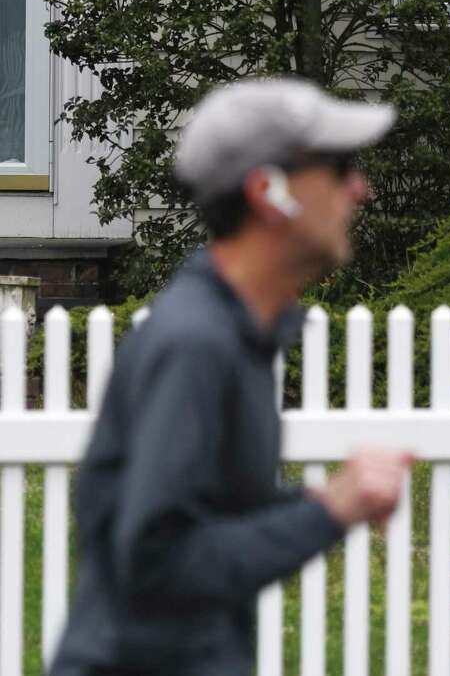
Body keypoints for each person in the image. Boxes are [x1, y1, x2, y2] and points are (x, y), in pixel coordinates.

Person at [50, 77, 413, 676]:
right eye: (340, 166)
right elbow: (157, 563)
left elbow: (211, 525)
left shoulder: (232, 333)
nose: (360, 188)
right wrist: (328, 512)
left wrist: (319, 504)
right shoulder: (196, 344)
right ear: (269, 191)